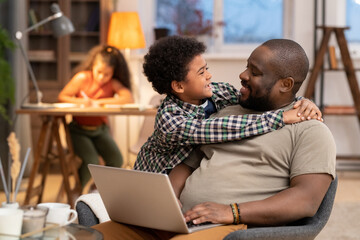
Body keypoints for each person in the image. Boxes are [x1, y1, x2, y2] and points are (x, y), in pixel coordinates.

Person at [92, 39, 336, 239]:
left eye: (255, 72)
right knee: (88, 236)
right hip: (177, 221)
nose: (242, 75)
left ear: (286, 84)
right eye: (246, 66)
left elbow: (306, 201)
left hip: (229, 227)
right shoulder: (224, 110)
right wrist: (169, 205)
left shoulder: (310, 130)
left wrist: (231, 212)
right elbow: (187, 163)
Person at [134, 36, 321, 176]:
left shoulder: (219, 92)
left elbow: (260, 99)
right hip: (153, 178)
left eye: (207, 68)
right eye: (201, 72)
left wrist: (301, 102)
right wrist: (279, 118)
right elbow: (216, 129)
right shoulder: (169, 119)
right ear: (179, 86)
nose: (209, 75)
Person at [58, 45, 134, 188]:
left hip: (100, 129)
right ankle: (79, 190)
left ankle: (102, 189)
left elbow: (128, 98)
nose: (101, 77)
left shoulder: (112, 84)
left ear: (113, 73)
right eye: (99, 72)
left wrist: (97, 103)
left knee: (116, 159)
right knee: (91, 160)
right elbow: (62, 96)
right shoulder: (82, 78)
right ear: (93, 66)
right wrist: (81, 102)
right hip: (78, 130)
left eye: (107, 74)